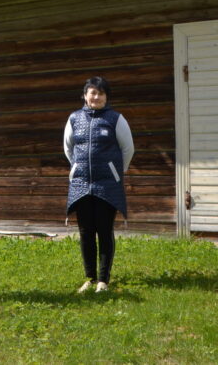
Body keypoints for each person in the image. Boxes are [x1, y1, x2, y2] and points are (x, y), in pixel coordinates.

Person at [64, 76, 134, 293]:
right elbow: (68, 148)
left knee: (104, 230)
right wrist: (77, 168)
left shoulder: (116, 119)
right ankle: (89, 278)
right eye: (92, 92)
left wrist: (115, 172)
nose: (96, 97)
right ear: (85, 95)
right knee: (86, 232)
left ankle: (103, 280)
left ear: (106, 97)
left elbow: (128, 149)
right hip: (81, 184)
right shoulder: (74, 118)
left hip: (107, 184)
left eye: (101, 93)